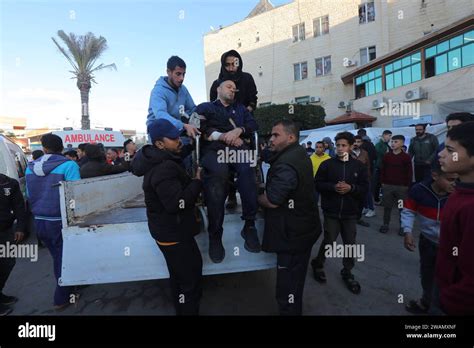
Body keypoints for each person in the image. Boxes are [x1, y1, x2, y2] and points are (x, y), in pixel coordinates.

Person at [131, 119, 203, 315]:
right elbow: (176, 203)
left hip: (168, 232)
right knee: (190, 281)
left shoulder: (157, 159)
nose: (178, 140)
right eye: (172, 138)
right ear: (159, 144)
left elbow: (179, 154)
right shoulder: (164, 168)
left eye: (177, 135)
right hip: (175, 234)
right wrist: (196, 182)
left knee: (179, 278)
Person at [258, 120, 321, 315]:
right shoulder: (297, 152)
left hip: (294, 235)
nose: (271, 139)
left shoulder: (286, 164)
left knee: (288, 289)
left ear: (291, 137)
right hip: (302, 229)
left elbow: (273, 201)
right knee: (293, 282)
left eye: (276, 135)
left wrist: (255, 195)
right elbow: (272, 156)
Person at [195, 79, 259, 263]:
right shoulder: (205, 107)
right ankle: (215, 234)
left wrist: (239, 130)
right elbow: (197, 127)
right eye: (229, 87)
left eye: (234, 88)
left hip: (238, 149)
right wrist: (222, 136)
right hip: (213, 149)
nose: (233, 90)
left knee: (247, 167)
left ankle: (249, 225)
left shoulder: (240, 109)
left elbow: (253, 126)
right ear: (218, 89)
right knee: (218, 174)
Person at [25, 134, 80, 310]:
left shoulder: (29, 167)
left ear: (44, 148)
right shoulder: (69, 164)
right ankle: (62, 297)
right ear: (62, 147)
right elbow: (75, 195)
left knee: (57, 256)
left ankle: (70, 287)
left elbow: (28, 193)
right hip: (61, 219)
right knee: (63, 258)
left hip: (40, 220)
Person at [311, 131, 368, 294]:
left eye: (344, 145)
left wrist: (352, 188)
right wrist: (332, 187)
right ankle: (318, 263)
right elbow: (318, 184)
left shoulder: (359, 167)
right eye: (338, 145)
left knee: (350, 243)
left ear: (351, 147)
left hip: (350, 213)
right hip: (331, 211)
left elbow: (365, 188)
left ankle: (347, 271)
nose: (340, 148)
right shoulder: (327, 165)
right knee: (329, 240)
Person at [401, 162, 457, 314]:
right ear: (435, 176)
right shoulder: (418, 190)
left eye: (456, 179)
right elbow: (409, 210)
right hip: (427, 242)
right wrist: (407, 232)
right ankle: (426, 302)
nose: (454, 184)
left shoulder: (459, 196)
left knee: (446, 279)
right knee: (427, 274)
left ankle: (439, 307)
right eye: (450, 179)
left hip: (451, 247)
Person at [209, 50, 258, 211]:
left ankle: (250, 208)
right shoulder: (217, 84)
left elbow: (253, 98)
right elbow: (212, 110)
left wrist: (243, 118)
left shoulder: (247, 79)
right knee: (220, 164)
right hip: (222, 132)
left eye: (234, 63)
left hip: (243, 124)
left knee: (246, 164)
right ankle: (229, 195)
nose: (231, 68)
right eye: (227, 64)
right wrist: (224, 133)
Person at [436, 121, 474, 315]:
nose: (441, 154)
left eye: (450, 150)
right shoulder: (460, 191)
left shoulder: (470, 206)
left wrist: (450, 300)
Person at [146, 55, 199, 138]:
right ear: (168, 72)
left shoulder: (183, 89)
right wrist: (183, 125)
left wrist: (201, 116)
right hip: (158, 131)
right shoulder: (158, 91)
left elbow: (192, 109)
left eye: (183, 74)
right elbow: (161, 115)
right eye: (178, 74)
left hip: (177, 129)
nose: (182, 78)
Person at [0, 174, 27, 316]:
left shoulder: (9, 183)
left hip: (4, 232)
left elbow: (19, 206)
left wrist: (20, 227)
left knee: (8, 262)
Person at [379, 135, 412, 235]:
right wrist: (382, 183)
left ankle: (402, 227)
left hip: (401, 187)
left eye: (396, 142)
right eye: (392, 141)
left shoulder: (406, 157)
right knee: (387, 207)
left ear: (402, 143)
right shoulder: (387, 156)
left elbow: (409, 172)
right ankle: (385, 224)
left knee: (401, 208)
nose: (393, 143)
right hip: (388, 186)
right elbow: (382, 169)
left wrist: (407, 185)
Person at [351, 135, 372, 227]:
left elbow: (368, 166)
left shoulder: (365, 153)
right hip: (350, 180)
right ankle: (349, 219)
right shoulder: (347, 153)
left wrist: (367, 177)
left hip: (362, 181)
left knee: (361, 201)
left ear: (361, 143)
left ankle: (358, 218)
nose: (356, 143)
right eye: (354, 141)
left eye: (358, 141)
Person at [374, 130, 392, 203]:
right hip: (380, 167)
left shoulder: (386, 144)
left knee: (384, 184)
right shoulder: (379, 144)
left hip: (385, 167)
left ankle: (384, 199)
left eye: (390, 136)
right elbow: (382, 154)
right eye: (389, 136)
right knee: (378, 184)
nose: (390, 138)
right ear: (384, 135)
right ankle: (376, 199)